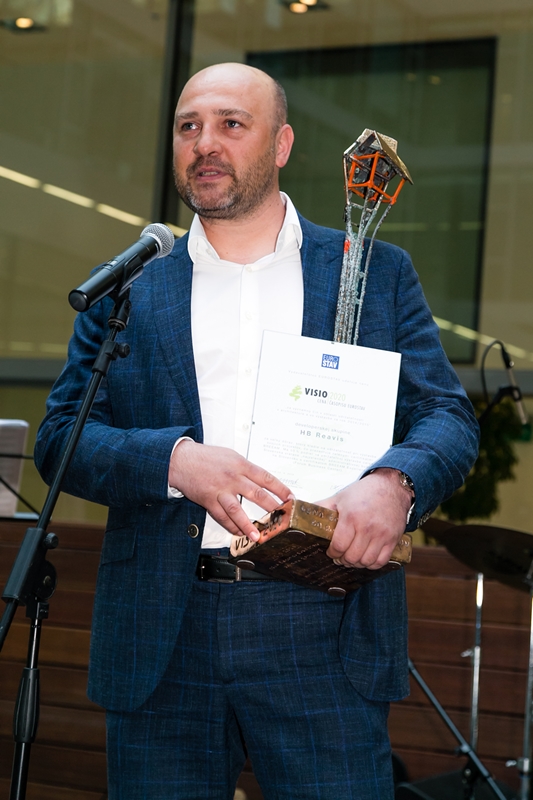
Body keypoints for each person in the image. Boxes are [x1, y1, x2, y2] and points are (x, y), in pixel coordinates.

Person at [35, 63, 479, 799]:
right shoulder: (130, 287)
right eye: (189, 126)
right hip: (162, 628)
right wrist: (174, 461)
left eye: (231, 124)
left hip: (323, 620)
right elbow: (61, 439)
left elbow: (446, 416)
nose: (205, 143)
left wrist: (394, 484)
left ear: (281, 145)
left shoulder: (372, 272)